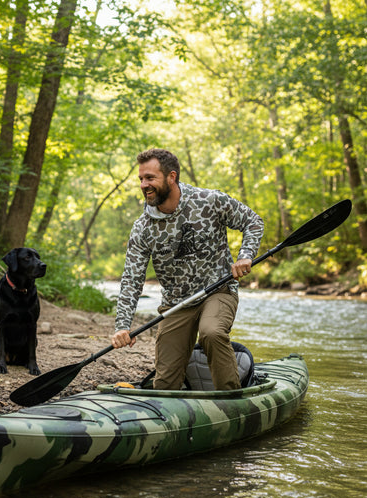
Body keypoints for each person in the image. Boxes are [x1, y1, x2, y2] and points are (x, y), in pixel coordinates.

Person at [111, 148, 264, 390]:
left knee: (211, 333)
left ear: (171, 177)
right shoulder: (142, 227)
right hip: (176, 303)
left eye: (150, 178)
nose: (143, 184)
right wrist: (123, 325)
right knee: (164, 383)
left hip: (218, 290)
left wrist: (245, 256)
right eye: (141, 179)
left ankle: (231, 397)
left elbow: (253, 222)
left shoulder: (209, 201)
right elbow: (132, 278)